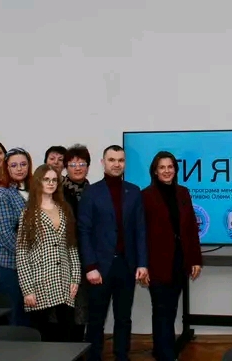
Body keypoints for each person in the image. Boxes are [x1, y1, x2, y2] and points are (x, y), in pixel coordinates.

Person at [78, 145, 148, 361]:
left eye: (120, 160)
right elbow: (84, 231)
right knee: (96, 319)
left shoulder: (134, 191)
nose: (116, 164)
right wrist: (90, 266)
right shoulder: (91, 192)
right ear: (103, 163)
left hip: (126, 265)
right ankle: (94, 357)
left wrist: (142, 263)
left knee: (123, 318)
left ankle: (122, 356)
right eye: (112, 160)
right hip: (99, 268)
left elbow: (140, 230)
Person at [142, 151, 203, 361]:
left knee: (172, 309)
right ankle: (166, 355)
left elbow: (191, 228)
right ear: (155, 171)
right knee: (161, 310)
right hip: (156, 263)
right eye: (162, 167)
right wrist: (143, 265)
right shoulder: (146, 196)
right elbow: (140, 233)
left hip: (180, 261)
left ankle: (161, 351)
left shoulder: (183, 193)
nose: (167, 171)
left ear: (175, 170)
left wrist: (195, 259)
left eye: (170, 167)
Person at [17, 165, 80, 342]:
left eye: (54, 180)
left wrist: (75, 278)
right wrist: (27, 290)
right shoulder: (28, 213)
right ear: (38, 182)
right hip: (39, 280)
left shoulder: (64, 209)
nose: (51, 183)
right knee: (41, 335)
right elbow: (22, 254)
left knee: (67, 333)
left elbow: (71, 246)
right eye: (46, 179)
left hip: (64, 279)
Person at [0, 147, 33, 325]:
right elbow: (5, 234)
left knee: (32, 317)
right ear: (7, 168)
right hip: (9, 264)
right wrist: (31, 256)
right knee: (15, 316)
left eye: (23, 164)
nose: (19, 169)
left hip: (34, 266)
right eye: (14, 165)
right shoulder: (1, 194)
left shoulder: (37, 192)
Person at [61, 144, 92, 340]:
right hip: (61, 260)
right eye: (73, 164)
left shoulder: (95, 192)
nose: (78, 168)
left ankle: (78, 349)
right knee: (61, 312)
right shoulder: (57, 191)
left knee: (81, 310)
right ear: (66, 167)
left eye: (82, 163)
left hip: (86, 259)